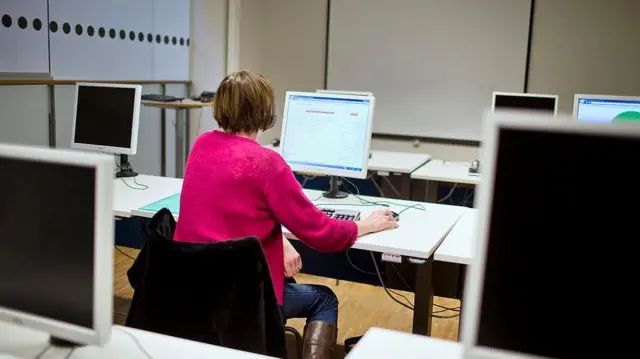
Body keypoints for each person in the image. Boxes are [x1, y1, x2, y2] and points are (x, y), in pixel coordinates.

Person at [174, 70, 398, 359]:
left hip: (190, 289)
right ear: (265, 113)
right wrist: (366, 224)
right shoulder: (268, 164)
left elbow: (231, 211)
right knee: (324, 299)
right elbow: (322, 233)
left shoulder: (201, 145)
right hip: (243, 298)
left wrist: (278, 236)